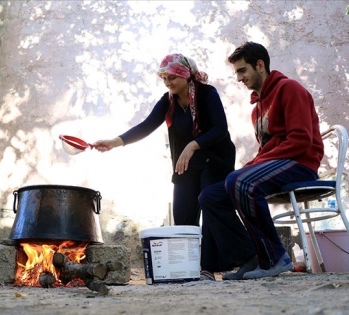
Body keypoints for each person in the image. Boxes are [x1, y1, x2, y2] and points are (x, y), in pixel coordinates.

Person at [92, 53, 236, 280]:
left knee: (208, 207)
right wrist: (114, 142)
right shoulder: (168, 100)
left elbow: (220, 129)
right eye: (164, 79)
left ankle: (208, 267)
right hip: (185, 164)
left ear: (186, 76)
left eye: (172, 78)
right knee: (183, 212)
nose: (168, 83)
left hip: (215, 160)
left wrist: (192, 145)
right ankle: (190, 266)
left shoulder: (207, 94)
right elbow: (147, 125)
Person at [199, 41, 324, 280]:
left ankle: (275, 258)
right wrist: (252, 164)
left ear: (260, 65)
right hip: (278, 166)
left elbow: (300, 141)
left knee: (241, 181)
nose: (239, 78)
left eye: (242, 70)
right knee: (211, 196)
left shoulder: (290, 89)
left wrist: (253, 166)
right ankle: (250, 257)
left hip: (301, 164)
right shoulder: (257, 109)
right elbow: (268, 149)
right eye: (236, 72)